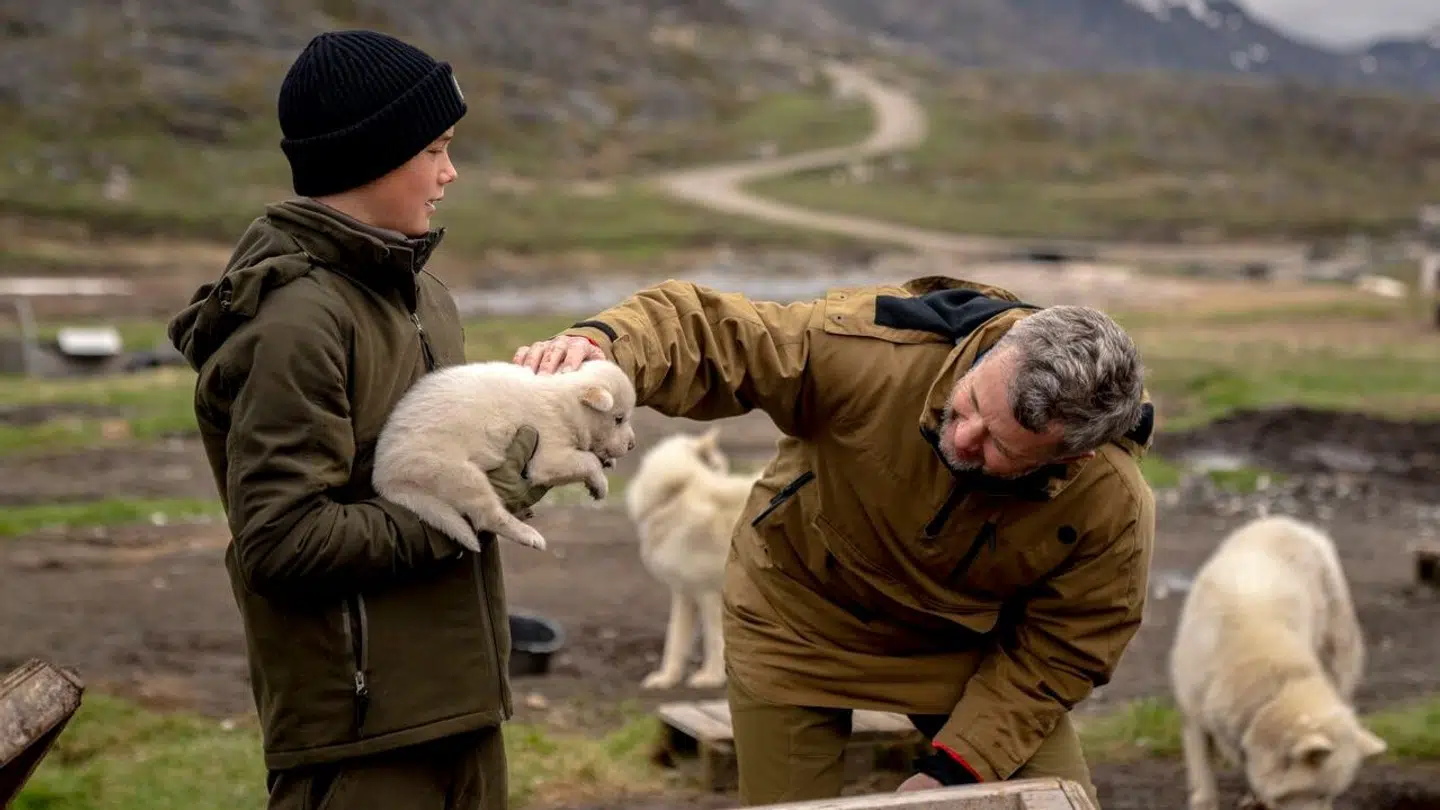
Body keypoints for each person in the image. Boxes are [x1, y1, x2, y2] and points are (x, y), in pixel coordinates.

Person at [514, 276, 1156, 809]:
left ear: (1071, 458)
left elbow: (1065, 648)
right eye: (968, 408)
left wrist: (957, 768)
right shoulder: (877, 351)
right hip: (798, 619)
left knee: (1055, 801)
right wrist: (602, 347)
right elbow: (714, 332)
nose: (963, 440)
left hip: (960, 651)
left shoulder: (1111, 503)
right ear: (991, 355)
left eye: (999, 446)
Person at [167, 30, 548, 810]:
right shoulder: (294, 323)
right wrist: (477, 501)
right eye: (435, 149)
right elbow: (283, 542)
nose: (450, 172)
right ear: (372, 154)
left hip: (462, 713)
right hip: (360, 743)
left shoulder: (424, 297)